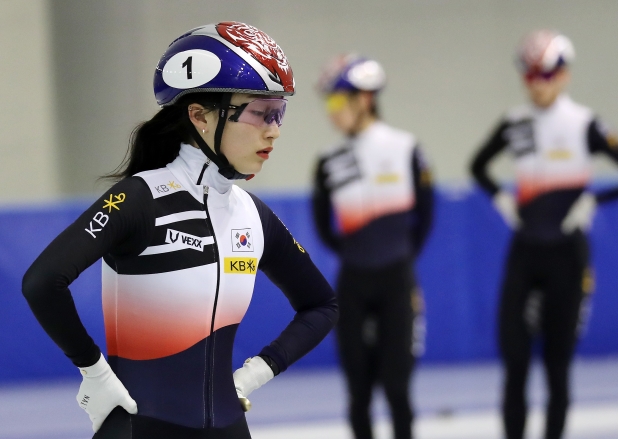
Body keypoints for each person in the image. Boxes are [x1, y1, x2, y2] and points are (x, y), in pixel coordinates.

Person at [22, 22, 338, 439]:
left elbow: (322, 305)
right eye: (260, 112)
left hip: (228, 425)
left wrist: (251, 376)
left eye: (278, 112)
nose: (274, 129)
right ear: (200, 116)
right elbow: (43, 281)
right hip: (139, 425)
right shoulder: (140, 198)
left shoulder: (252, 214)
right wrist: (94, 372)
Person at [469, 30, 618, 439]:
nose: (538, 84)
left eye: (547, 74)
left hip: (567, 256)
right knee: (514, 361)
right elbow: (477, 166)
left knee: (557, 364)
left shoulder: (585, 123)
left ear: (565, 74)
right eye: (530, 75)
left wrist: (593, 202)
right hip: (524, 252)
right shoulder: (514, 123)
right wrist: (502, 198)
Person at [312, 54, 434, 439]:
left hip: (396, 281)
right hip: (353, 284)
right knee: (358, 392)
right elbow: (322, 224)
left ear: (364, 99)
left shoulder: (406, 147)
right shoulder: (328, 161)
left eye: (336, 101)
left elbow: (426, 215)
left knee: (397, 389)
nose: (330, 112)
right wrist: (352, 252)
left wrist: (401, 256)